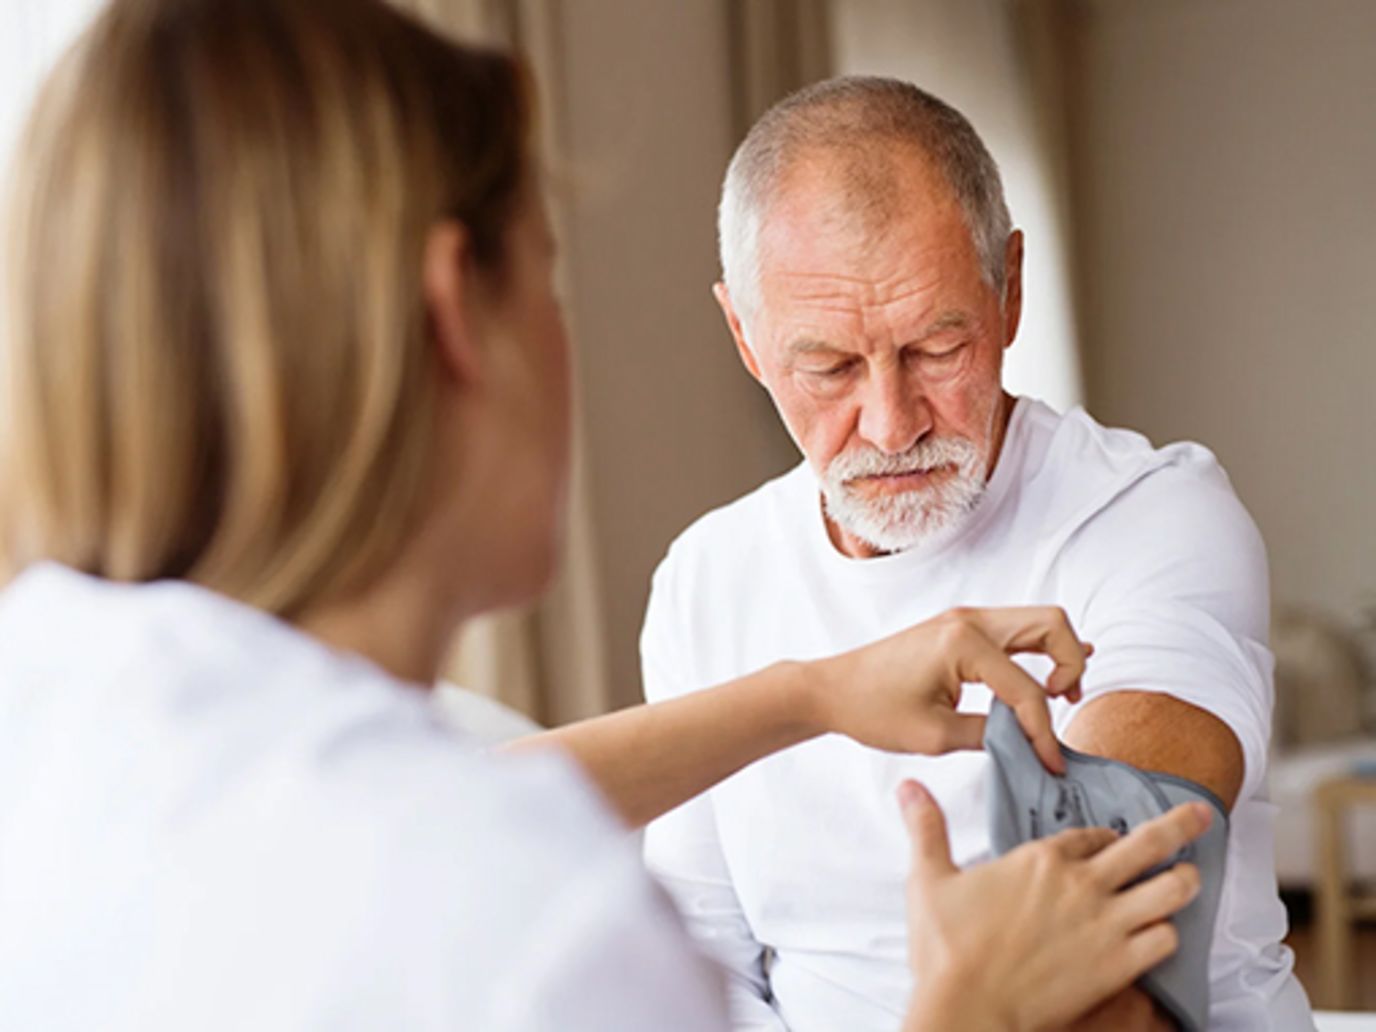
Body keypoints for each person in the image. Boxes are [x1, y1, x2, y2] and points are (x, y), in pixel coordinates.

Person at [0, 3, 1207, 1030]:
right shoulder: (539, 930)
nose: (888, 424)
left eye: (933, 342)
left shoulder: (50, 730)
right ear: (455, 316)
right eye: (548, 265)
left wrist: (803, 692)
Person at [643, 76, 1315, 1030]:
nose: (891, 422)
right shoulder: (703, 579)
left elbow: (1108, 979)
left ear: (1009, 291)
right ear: (745, 338)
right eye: (829, 365)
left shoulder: (1151, 517)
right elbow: (698, 971)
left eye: (935, 348)